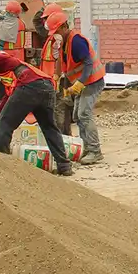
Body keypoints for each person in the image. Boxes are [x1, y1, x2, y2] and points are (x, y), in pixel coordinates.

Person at [45, 11, 104, 165]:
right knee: (77, 116)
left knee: (84, 114)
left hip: (92, 81)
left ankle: (95, 151)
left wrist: (81, 82)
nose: (55, 35)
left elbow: (88, 63)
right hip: (82, 83)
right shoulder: (63, 42)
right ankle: (87, 148)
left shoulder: (76, 41)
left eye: (56, 31)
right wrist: (57, 77)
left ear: (64, 27)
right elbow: (62, 62)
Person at [38, 3, 71, 135]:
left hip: (57, 79)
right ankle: (63, 137)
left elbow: (59, 59)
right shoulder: (54, 36)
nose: (44, 22)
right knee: (58, 109)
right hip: (52, 79)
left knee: (58, 109)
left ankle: (61, 138)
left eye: (46, 18)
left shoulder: (58, 38)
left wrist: (57, 77)